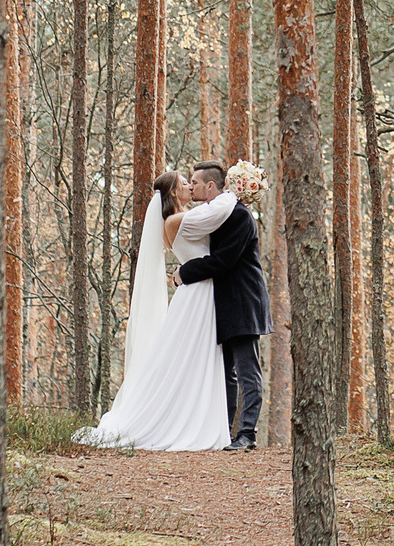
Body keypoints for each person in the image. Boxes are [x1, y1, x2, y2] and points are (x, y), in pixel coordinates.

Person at [74, 170, 236, 452]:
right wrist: (237, 190)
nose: (189, 186)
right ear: (173, 193)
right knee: (195, 356)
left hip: (199, 290)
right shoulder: (177, 220)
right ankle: (187, 423)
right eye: (184, 183)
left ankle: (196, 419)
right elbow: (218, 212)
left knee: (198, 358)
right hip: (197, 294)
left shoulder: (180, 218)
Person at [172, 160, 271, 449]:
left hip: (244, 301)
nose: (191, 186)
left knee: (246, 369)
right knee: (225, 372)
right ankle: (224, 433)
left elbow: (224, 261)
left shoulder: (239, 216)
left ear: (210, 186)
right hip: (221, 304)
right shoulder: (214, 216)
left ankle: (248, 434)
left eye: (195, 181)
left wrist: (184, 274)